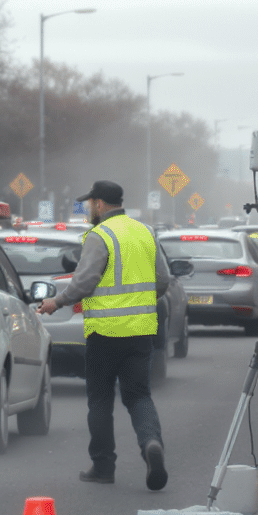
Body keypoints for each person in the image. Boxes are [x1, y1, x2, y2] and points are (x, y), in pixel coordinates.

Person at [37, 180, 172, 490]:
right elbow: (162, 280)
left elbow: (84, 282)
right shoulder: (144, 232)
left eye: (90, 204)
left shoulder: (100, 236)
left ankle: (103, 467)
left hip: (104, 333)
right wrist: (140, 303)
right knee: (139, 396)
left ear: (99, 204)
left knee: (100, 400)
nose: (88, 210)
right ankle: (151, 444)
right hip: (140, 331)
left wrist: (56, 302)